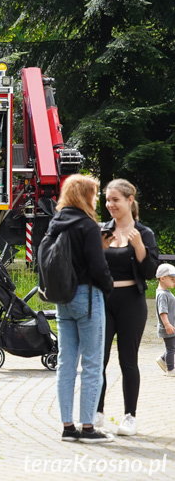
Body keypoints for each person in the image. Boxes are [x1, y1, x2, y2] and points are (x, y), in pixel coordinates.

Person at [49, 174, 114, 443]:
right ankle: (88, 427)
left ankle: (67, 427)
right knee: (91, 364)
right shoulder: (87, 225)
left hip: (62, 298)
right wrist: (108, 287)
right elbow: (97, 267)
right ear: (84, 195)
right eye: (94, 193)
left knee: (65, 363)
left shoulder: (57, 222)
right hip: (88, 297)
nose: (96, 198)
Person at [95, 178, 159, 436]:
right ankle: (96, 413)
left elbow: (152, 272)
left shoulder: (144, 233)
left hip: (132, 302)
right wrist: (98, 250)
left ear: (130, 200)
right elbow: (89, 269)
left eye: (115, 200)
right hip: (104, 301)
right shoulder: (102, 231)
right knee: (98, 359)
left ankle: (130, 417)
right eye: (108, 200)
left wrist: (139, 248)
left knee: (128, 361)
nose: (110, 205)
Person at [154, 263, 175, 377]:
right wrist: (167, 324)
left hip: (171, 325)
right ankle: (171, 370)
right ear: (162, 278)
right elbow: (163, 312)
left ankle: (162, 359)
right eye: (172, 279)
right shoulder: (162, 294)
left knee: (172, 347)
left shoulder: (166, 292)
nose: (174, 281)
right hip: (168, 327)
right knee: (171, 348)